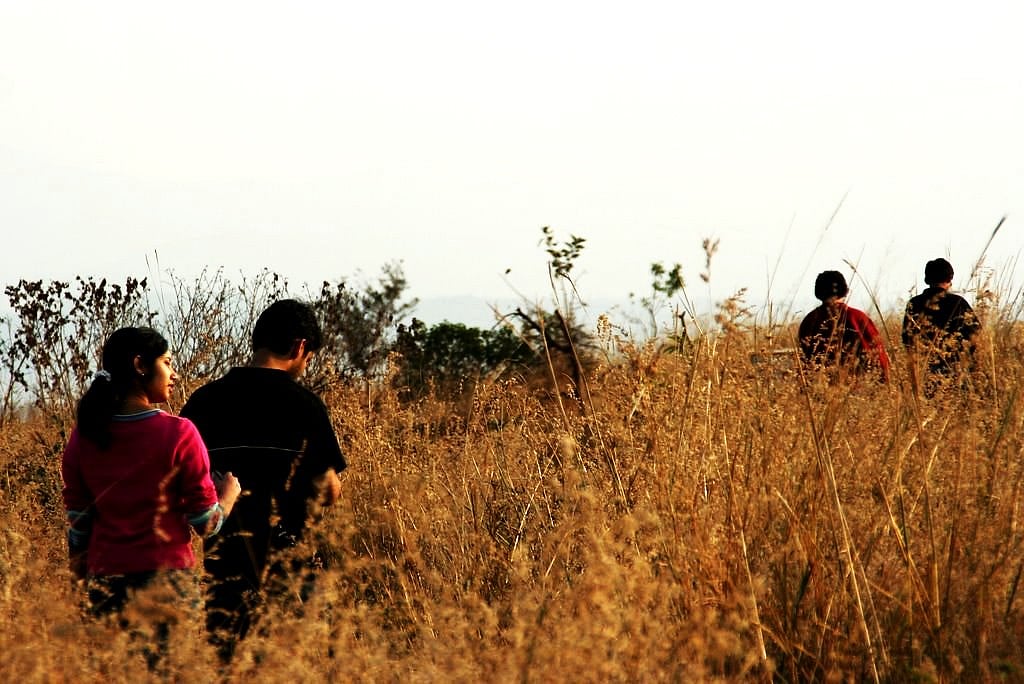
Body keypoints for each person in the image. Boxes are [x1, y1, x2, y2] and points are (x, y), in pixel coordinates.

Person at [61, 327, 241, 666]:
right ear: (140, 365)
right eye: (167, 363)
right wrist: (228, 495)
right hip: (169, 584)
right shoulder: (179, 433)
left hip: (106, 585)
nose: (173, 374)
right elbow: (206, 523)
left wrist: (81, 587)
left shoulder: (84, 438)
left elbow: (79, 529)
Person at [180, 298, 346, 662]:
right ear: (301, 347)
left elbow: (183, 481)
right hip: (294, 564)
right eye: (309, 356)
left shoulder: (204, 402)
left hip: (226, 567)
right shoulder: (306, 405)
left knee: (231, 663)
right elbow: (329, 489)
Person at [798, 270, 891, 382]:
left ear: (818, 293)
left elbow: (805, 361)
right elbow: (877, 356)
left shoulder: (809, 320)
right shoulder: (857, 317)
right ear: (845, 291)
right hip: (859, 389)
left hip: (820, 388)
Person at [902, 258, 980, 383]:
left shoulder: (914, 304)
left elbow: (907, 339)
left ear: (926, 280)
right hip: (956, 373)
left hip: (924, 374)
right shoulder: (958, 303)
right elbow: (975, 335)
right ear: (950, 280)